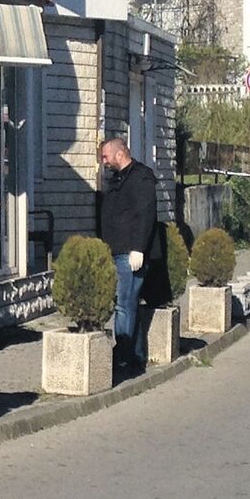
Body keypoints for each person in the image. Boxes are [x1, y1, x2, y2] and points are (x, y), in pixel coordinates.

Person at [98, 137, 158, 369]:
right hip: (117, 249)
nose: (104, 161)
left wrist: (138, 248)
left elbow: (145, 214)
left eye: (106, 156)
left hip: (130, 251)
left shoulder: (141, 177)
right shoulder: (118, 178)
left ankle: (123, 353)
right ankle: (135, 354)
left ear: (119, 154)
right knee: (128, 303)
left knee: (124, 303)